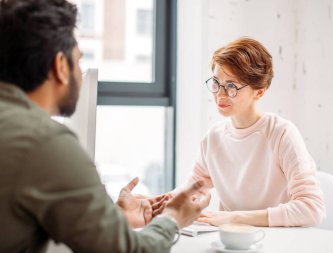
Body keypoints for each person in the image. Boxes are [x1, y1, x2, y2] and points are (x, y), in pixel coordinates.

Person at [0, 0, 210, 252]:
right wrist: (173, 217)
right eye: (79, 61)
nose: (80, 72)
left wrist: (114, 217)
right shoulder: (44, 142)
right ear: (60, 66)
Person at [154, 37, 326, 227]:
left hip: (278, 241)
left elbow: (312, 209)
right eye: (216, 82)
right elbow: (192, 190)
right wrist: (157, 204)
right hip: (232, 241)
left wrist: (234, 217)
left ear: (259, 92)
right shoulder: (213, 138)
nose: (220, 94)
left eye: (232, 87)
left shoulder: (281, 134)